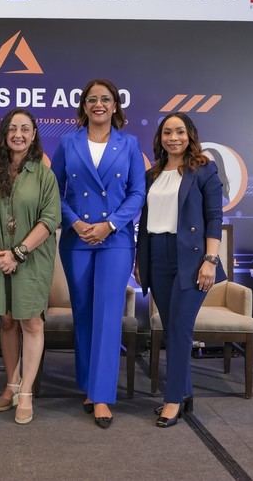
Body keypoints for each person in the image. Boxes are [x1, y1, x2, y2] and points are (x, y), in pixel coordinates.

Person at [51, 79, 145, 429]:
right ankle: (88, 385)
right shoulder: (67, 142)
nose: (99, 104)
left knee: (108, 315)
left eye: (105, 99)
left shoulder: (130, 144)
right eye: (92, 99)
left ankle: (102, 395)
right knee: (85, 314)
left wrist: (110, 224)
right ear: (84, 106)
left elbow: (137, 193)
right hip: (76, 239)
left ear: (116, 105)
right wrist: (74, 222)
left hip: (115, 239)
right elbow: (53, 190)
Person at [135, 112, 226, 428]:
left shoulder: (204, 169)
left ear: (190, 135)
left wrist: (210, 260)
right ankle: (184, 392)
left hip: (191, 259)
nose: (173, 138)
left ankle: (172, 400)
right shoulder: (152, 174)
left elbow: (214, 217)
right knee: (170, 325)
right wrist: (139, 260)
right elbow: (144, 222)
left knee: (179, 329)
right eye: (167, 133)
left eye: (179, 132)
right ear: (160, 138)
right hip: (156, 256)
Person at [0, 108, 60, 425]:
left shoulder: (44, 174)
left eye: (25, 128)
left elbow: (50, 220)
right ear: (4, 134)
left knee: (31, 323)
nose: (19, 134)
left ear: (34, 134)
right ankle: (10, 385)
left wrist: (18, 252)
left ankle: (26, 392)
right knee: (7, 321)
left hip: (32, 259)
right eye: (12, 129)